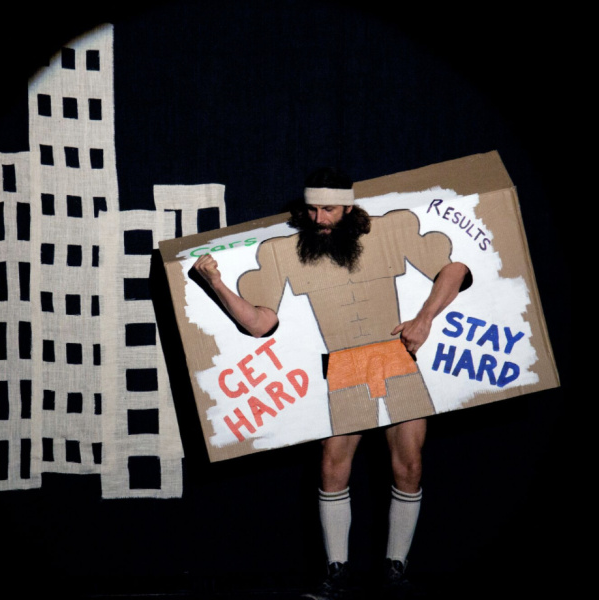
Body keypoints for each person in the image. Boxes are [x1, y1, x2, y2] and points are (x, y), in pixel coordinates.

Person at [193, 167, 470, 599]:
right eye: (312, 210)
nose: (319, 219)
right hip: (343, 365)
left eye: (329, 210)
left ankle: (396, 570)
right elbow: (259, 323)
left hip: (396, 356)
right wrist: (216, 283)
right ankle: (336, 572)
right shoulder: (285, 251)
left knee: (410, 465)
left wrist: (424, 319)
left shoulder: (389, 230)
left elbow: (456, 269)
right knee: (332, 465)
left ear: (348, 207)